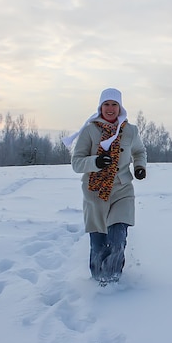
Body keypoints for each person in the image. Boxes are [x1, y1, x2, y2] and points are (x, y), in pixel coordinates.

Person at [64, 88, 147, 286]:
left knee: (117, 238)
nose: (110, 109)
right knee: (99, 245)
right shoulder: (90, 130)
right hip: (95, 194)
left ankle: (113, 279)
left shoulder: (130, 131)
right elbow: (77, 163)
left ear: (120, 107)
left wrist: (140, 167)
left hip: (122, 190)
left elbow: (139, 151)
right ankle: (99, 282)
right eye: (106, 104)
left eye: (114, 105)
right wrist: (97, 162)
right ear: (100, 107)